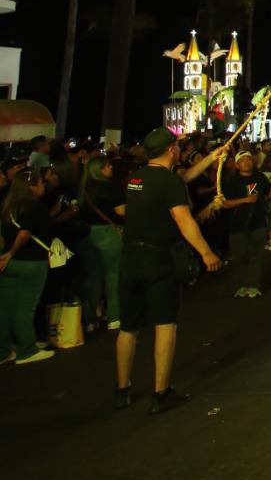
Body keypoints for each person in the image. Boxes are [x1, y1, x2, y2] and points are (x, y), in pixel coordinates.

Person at [114, 127, 222, 414]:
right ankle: (160, 393)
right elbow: (183, 220)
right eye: (177, 147)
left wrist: (211, 158)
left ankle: (122, 389)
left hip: (130, 259)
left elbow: (181, 179)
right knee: (165, 324)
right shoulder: (167, 182)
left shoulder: (138, 177)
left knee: (128, 327)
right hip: (158, 260)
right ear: (172, 150)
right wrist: (206, 252)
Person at [0, 169, 55, 366]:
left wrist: (5, 253)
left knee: (3, 306)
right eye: (41, 183)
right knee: (25, 308)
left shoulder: (9, 205)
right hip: (30, 261)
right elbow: (24, 234)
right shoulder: (34, 206)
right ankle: (27, 349)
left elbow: (3, 230)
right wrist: (12, 252)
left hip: (8, 262)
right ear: (32, 187)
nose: (44, 186)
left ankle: (0, 351)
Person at [218, 149, 271, 297]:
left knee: (256, 256)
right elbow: (224, 204)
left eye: (248, 159)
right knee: (240, 256)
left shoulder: (260, 178)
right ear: (237, 165)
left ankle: (253, 285)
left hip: (258, 222)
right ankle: (241, 285)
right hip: (238, 224)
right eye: (243, 160)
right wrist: (244, 200)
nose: (246, 162)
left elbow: (268, 195)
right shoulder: (230, 182)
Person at [80, 155, 125, 332]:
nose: (111, 169)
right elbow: (121, 211)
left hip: (89, 233)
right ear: (101, 169)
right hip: (109, 233)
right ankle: (114, 316)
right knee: (113, 275)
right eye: (108, 166)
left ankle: (90, 320)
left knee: (93, 277)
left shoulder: (84, 187)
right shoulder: (110, 186)